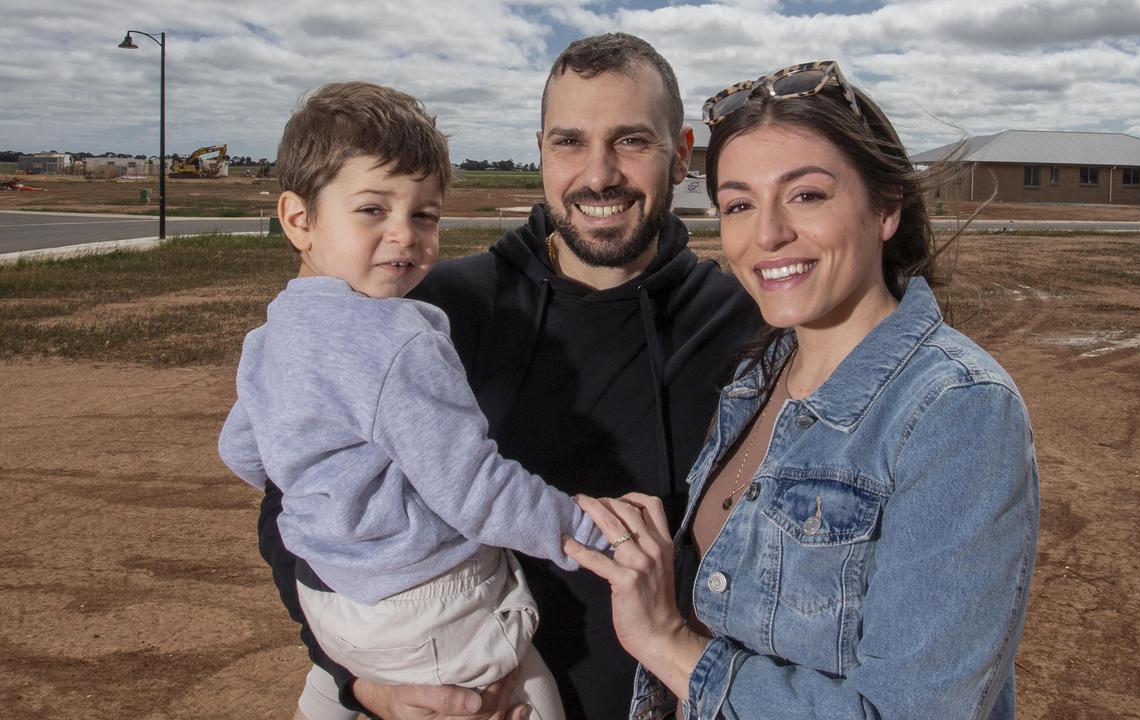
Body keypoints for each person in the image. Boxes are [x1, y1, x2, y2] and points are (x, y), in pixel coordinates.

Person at [256, 35, 761, 720]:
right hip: (434, 686)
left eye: (632, 141)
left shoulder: (747, 328)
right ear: (541, 149)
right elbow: (294, 504)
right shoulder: (430, 311)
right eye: (569, 142)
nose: (599, 173)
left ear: (681, 151)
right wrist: (365, 687)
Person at [567, 60, 1040, 719]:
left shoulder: (956, 410)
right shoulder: (757, 378)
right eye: (738, 204)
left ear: (886, 208)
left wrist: (666, 639)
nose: (767, 235)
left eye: (807, 195)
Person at [219, 81, 613, 720]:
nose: (405, 236)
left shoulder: (269, 335)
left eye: (424, 215)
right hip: (429, 604)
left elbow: (241, 450)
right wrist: (592, 532)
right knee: (532, 695)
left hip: (331, 603)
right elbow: (476, 493)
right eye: (373, 209)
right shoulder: (396, 335)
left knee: (337, 690)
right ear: (299, 219)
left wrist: (338, 508)